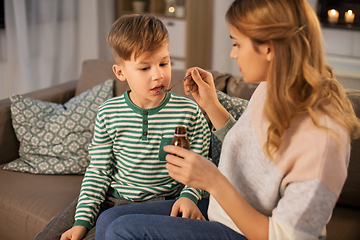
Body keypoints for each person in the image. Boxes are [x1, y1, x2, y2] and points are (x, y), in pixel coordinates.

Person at [94, 0, 360, 239]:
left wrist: (212, 182)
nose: (233, 54)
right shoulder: (271, 88)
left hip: (245, 229)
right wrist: (212, 105)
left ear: (268, 47)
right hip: (221, 210)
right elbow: (253, 153)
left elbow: (284, 236)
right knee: (107, 220)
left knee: (121, 230)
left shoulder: (322, 137)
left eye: (237, 43)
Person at [35, 14, 211, 240]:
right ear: (120, 72)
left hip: (159, 205)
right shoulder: (108, 112)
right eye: (144, 68)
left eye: (164, 63)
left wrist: (189, 196)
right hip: (110, 197)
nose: (158, 75)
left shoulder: (189, 112)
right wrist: (82, 221)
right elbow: (98, 172)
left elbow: (202, 165)